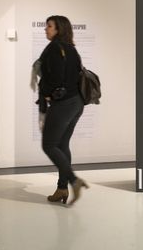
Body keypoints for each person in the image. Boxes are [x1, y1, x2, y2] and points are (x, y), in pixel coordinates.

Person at [36, 15, 89, 205]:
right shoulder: (72, 49)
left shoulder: (53, 49)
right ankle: (61, 189)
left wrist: (48, 93)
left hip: (64, 104)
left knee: (49, 145)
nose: (46, 29)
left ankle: (74, 181)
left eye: (49, 26)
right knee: (62, 144)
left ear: (58, 29)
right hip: (77, 103)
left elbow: (55, 77)